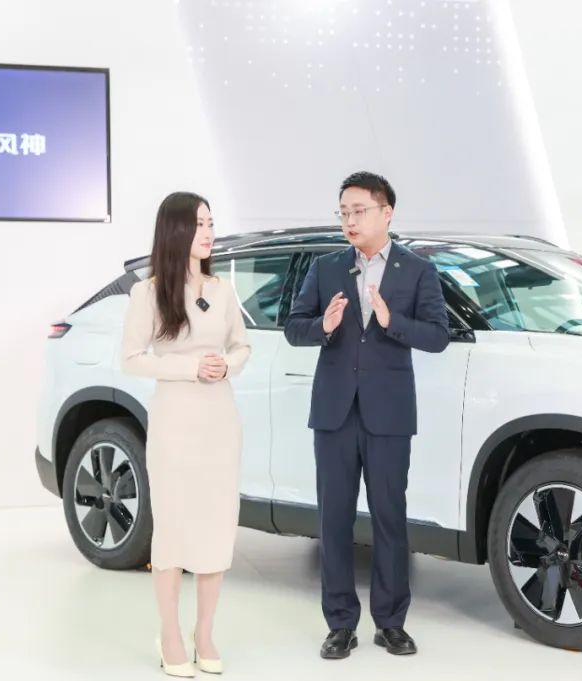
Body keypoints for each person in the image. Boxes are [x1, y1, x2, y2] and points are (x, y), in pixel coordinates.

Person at [285, 171, 450, 660]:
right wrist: (322, 325)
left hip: (389, 415)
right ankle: (340, 624)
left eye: (358, 211)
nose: (349, 221)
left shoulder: (417, 270)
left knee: (390, 519)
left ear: (386, 212)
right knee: (333, 521)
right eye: (343, 213)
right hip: (334, 414)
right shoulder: (326, 267)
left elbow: (438, 336)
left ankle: (391, 622)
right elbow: (294, 327)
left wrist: (392, 321)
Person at [120, 191, 251, 677]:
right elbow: (131, 359)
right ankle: (170, 633)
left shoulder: (222, 290)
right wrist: (190, 367)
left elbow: (242, 346)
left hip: (220, 420)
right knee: (173, 528)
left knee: (217, 526)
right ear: (175, 230)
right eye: (199, 223)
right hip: (175, 422)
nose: (208, 232)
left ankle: (205, 632)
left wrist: (227, 366)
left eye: (211, 223)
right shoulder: (148, 293)